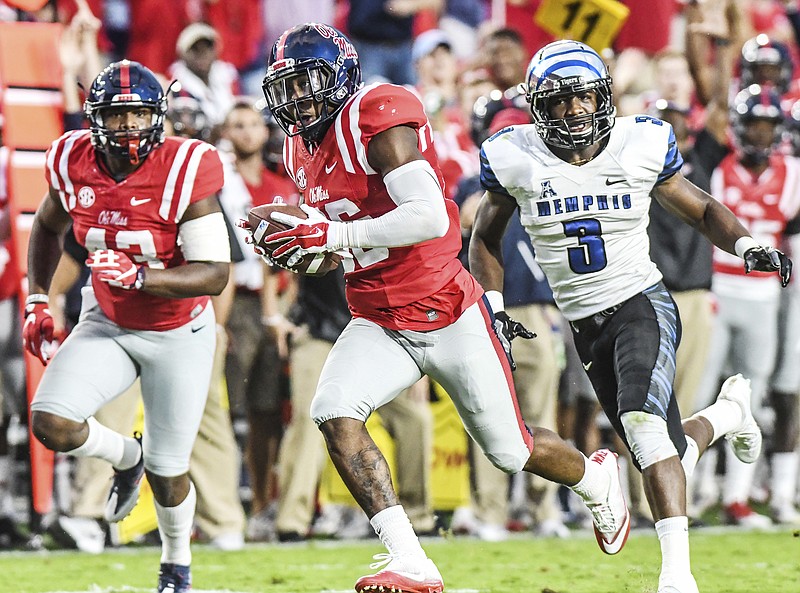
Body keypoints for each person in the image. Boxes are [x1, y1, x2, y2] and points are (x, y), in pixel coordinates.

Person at [255, 23, 631, 593]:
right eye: (286, 88)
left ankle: (596, 478)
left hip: (448, 310)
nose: (298, 101)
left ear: (340, 78)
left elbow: (431, 216)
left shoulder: (375, 115)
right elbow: (345, 243)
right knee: (333, 411)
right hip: (379, 317)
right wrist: (304, 247)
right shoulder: (297, 147)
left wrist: (329, 235)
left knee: (511, 450)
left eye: (308, 84)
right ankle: (410, 559)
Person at [469, 40, 791, 593]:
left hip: (641, 301)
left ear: (606, 99)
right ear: (536, 107)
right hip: (582, 322)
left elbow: (703, 208)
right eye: (559, 101)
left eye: (583, 99)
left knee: (644, 431)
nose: (573, 112)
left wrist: (744, 246)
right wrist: (493, 307)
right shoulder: (513, 155)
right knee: (658, 450)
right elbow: (485, 239)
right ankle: (728, 415)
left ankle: (678, 579)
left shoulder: (638, 143)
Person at [23, 60, 230, 593]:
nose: (129, 128)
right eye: (117, 117)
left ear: (159, 116)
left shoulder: (187, 165)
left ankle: (176, 566)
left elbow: (214, 274)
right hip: (108, 318)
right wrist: (39, 299)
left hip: (178, 330)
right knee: (51, 421)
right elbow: (46, 227)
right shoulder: (71, 159)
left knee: (169, 471)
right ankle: (126, 456)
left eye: (139, 115)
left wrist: (143, 277)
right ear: (95, 121)